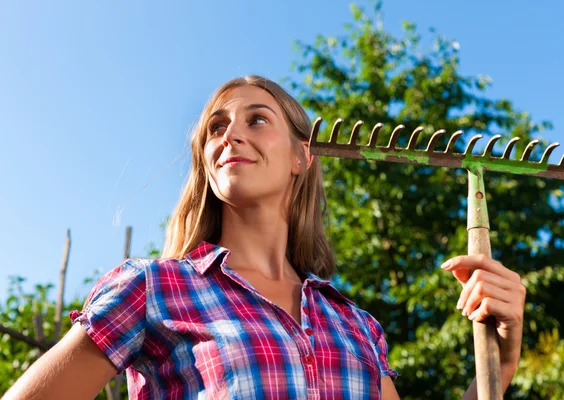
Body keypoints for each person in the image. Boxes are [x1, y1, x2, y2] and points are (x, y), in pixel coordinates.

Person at [4, 76, 526, 400]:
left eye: (257, 119)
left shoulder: (354, 324)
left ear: (303, 157)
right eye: (215, 127)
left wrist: (499, 363)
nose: (231, 134)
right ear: (205, 163)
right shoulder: (153, 289)